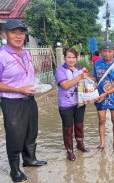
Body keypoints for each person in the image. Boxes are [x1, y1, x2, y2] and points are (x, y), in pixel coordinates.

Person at [0, 19, 47, 182]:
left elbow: (28, 75)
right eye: (14, 32)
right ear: (6, 34)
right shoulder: (2, 55)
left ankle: (30, 160)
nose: (18, 36)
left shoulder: (26, 53)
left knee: (31, 131)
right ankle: (15, 170)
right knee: (15, 135)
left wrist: (36, 84)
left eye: (21, 32)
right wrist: (19, 89)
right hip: (12, 102)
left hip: (29, 99)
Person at [55, 48, 90, 161]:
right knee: (68, 128)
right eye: (68, 57)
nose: (71, 60)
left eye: (73, 57)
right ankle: (69, 151)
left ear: (77, 58)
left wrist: (91, 95)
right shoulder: (60, 70)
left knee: (79, 125)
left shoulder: (80, 70)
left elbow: (86, 84)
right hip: (66, 104)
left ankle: (80, 145)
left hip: (79, 103)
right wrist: (80, 77)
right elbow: (65, 85)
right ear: (65, 58)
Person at [92, 41, 114, 150]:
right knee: (101, 120)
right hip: (99, 97)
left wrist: (106, 93)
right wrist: (86, 83)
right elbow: (95, 78)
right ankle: (102, 143)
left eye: (110, 51)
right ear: (101, 52)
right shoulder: (97, 63)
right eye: (105, 51)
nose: (107, 54)